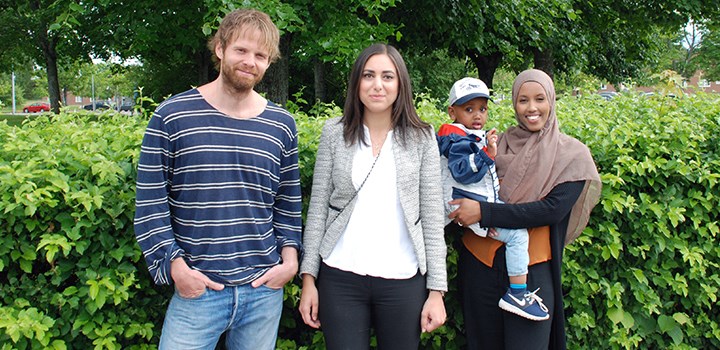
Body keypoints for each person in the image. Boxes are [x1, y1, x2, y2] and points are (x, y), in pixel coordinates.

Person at [133, 9, 302, 349]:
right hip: (197, 291)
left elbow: (287, 204)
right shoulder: (172, 116)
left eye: (260, 55)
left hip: (263, 291)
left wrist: (290, 261)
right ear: (221, 48)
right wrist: (175, 267)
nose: (250, 61)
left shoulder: (281, 125)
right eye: (241, 50)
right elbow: (150, 205)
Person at [298, 43, 447, 350]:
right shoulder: (333, 134)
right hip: (340, 278)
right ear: (356, 83)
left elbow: (432, 216)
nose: (377, 85)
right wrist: (309, 279)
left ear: (400, 84)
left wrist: (436, 291)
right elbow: (317, 211)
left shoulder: (422, 138)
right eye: (368, 75)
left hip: (403, 280)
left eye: (387, 77)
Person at [448, 69, 602, 349]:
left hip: (532, 275)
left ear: (551, 101)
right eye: (523, 100)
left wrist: (483, 212)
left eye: (540, 99)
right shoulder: (495, 143)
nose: (532, 108)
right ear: (514, 105)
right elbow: (458, 183)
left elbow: (549, 210)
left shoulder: (572, 156)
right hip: (479, 267)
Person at [437, 77, 548, 321]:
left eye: (482, 109)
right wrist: (487, 154)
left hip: (474, 203)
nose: (477, 115)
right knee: (518, 235)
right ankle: (518, 293)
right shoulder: (456, 139)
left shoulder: (467, 135)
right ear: (452, 112)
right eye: (469, 109)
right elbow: (461, 171)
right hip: (466, 206)